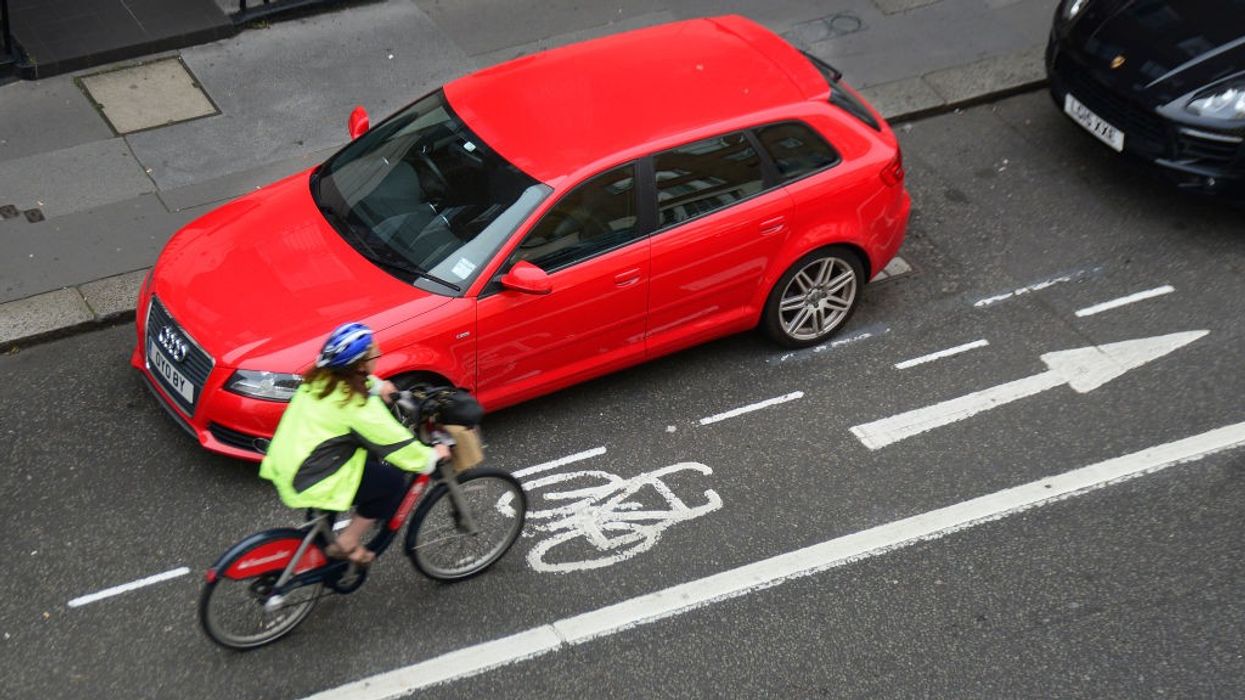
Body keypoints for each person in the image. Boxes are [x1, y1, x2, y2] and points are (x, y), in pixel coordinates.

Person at [259, 322, 451, 566]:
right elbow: (397, 445)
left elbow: (354, 384)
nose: (376, 356)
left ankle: (318, 551)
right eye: (373, 353)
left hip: (290, 461)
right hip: (313, 476)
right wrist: (432, 456)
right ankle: (348, 542)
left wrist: (379, 386)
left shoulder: (318, 382)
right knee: (391, 482)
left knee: (327, 509)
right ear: (360, 365)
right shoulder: (358, 408)